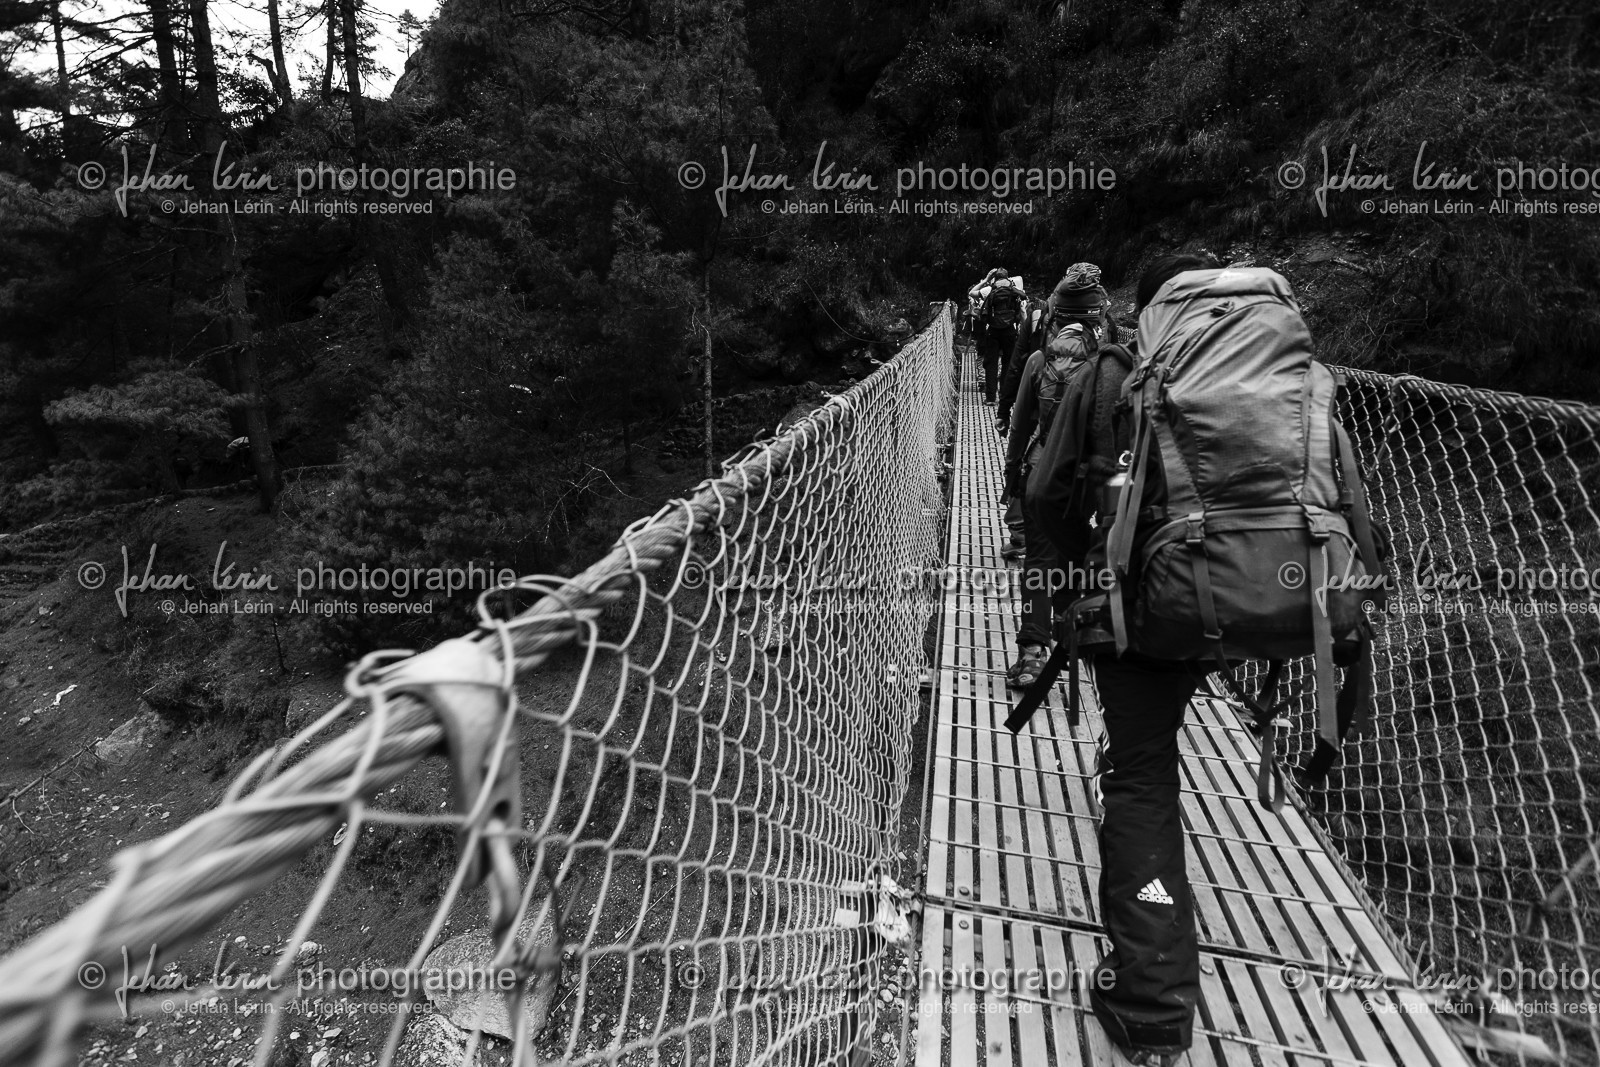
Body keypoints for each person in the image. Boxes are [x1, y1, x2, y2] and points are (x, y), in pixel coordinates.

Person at [1025, 252, 1220, 1067]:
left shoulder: (1112, 375)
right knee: (1158, 729)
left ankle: (1150, 1005)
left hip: (1145, 604)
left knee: (1141, 775)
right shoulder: (1268, 377)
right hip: (1246, 602)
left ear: (1141, 312)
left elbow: (1041, 493)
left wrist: (1078, 592)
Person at [1001, 264, 1110, 689]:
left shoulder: (1038, 360)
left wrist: (1013, 473)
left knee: (1040, 564)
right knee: (1079, 560)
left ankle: (1032, 654)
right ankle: (1075, 638)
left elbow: (1020, 425)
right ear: (1099, 318)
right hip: (1091, 483)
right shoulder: (1110, 366)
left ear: (1055, 316)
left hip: (1041, 472)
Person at [995, 288, 1054, 561]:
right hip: (1081, 414)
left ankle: (1020, 536)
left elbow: (1016, 365)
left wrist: (1004, 409)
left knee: (1020, 465)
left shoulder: (1038, 318)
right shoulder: (1104, 326)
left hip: (1035, 406)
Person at [972, 271, 1024, 405]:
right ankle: (1004, 396)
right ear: (1007, 277)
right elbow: (1022, 310)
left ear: (995, 278)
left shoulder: (988, 290)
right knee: (1008, 363)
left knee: (991, 364)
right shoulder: (1014, 290)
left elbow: (972, 293)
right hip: (1010, 331)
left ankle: (990, 398)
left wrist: (985, 280)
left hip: (993, 331)